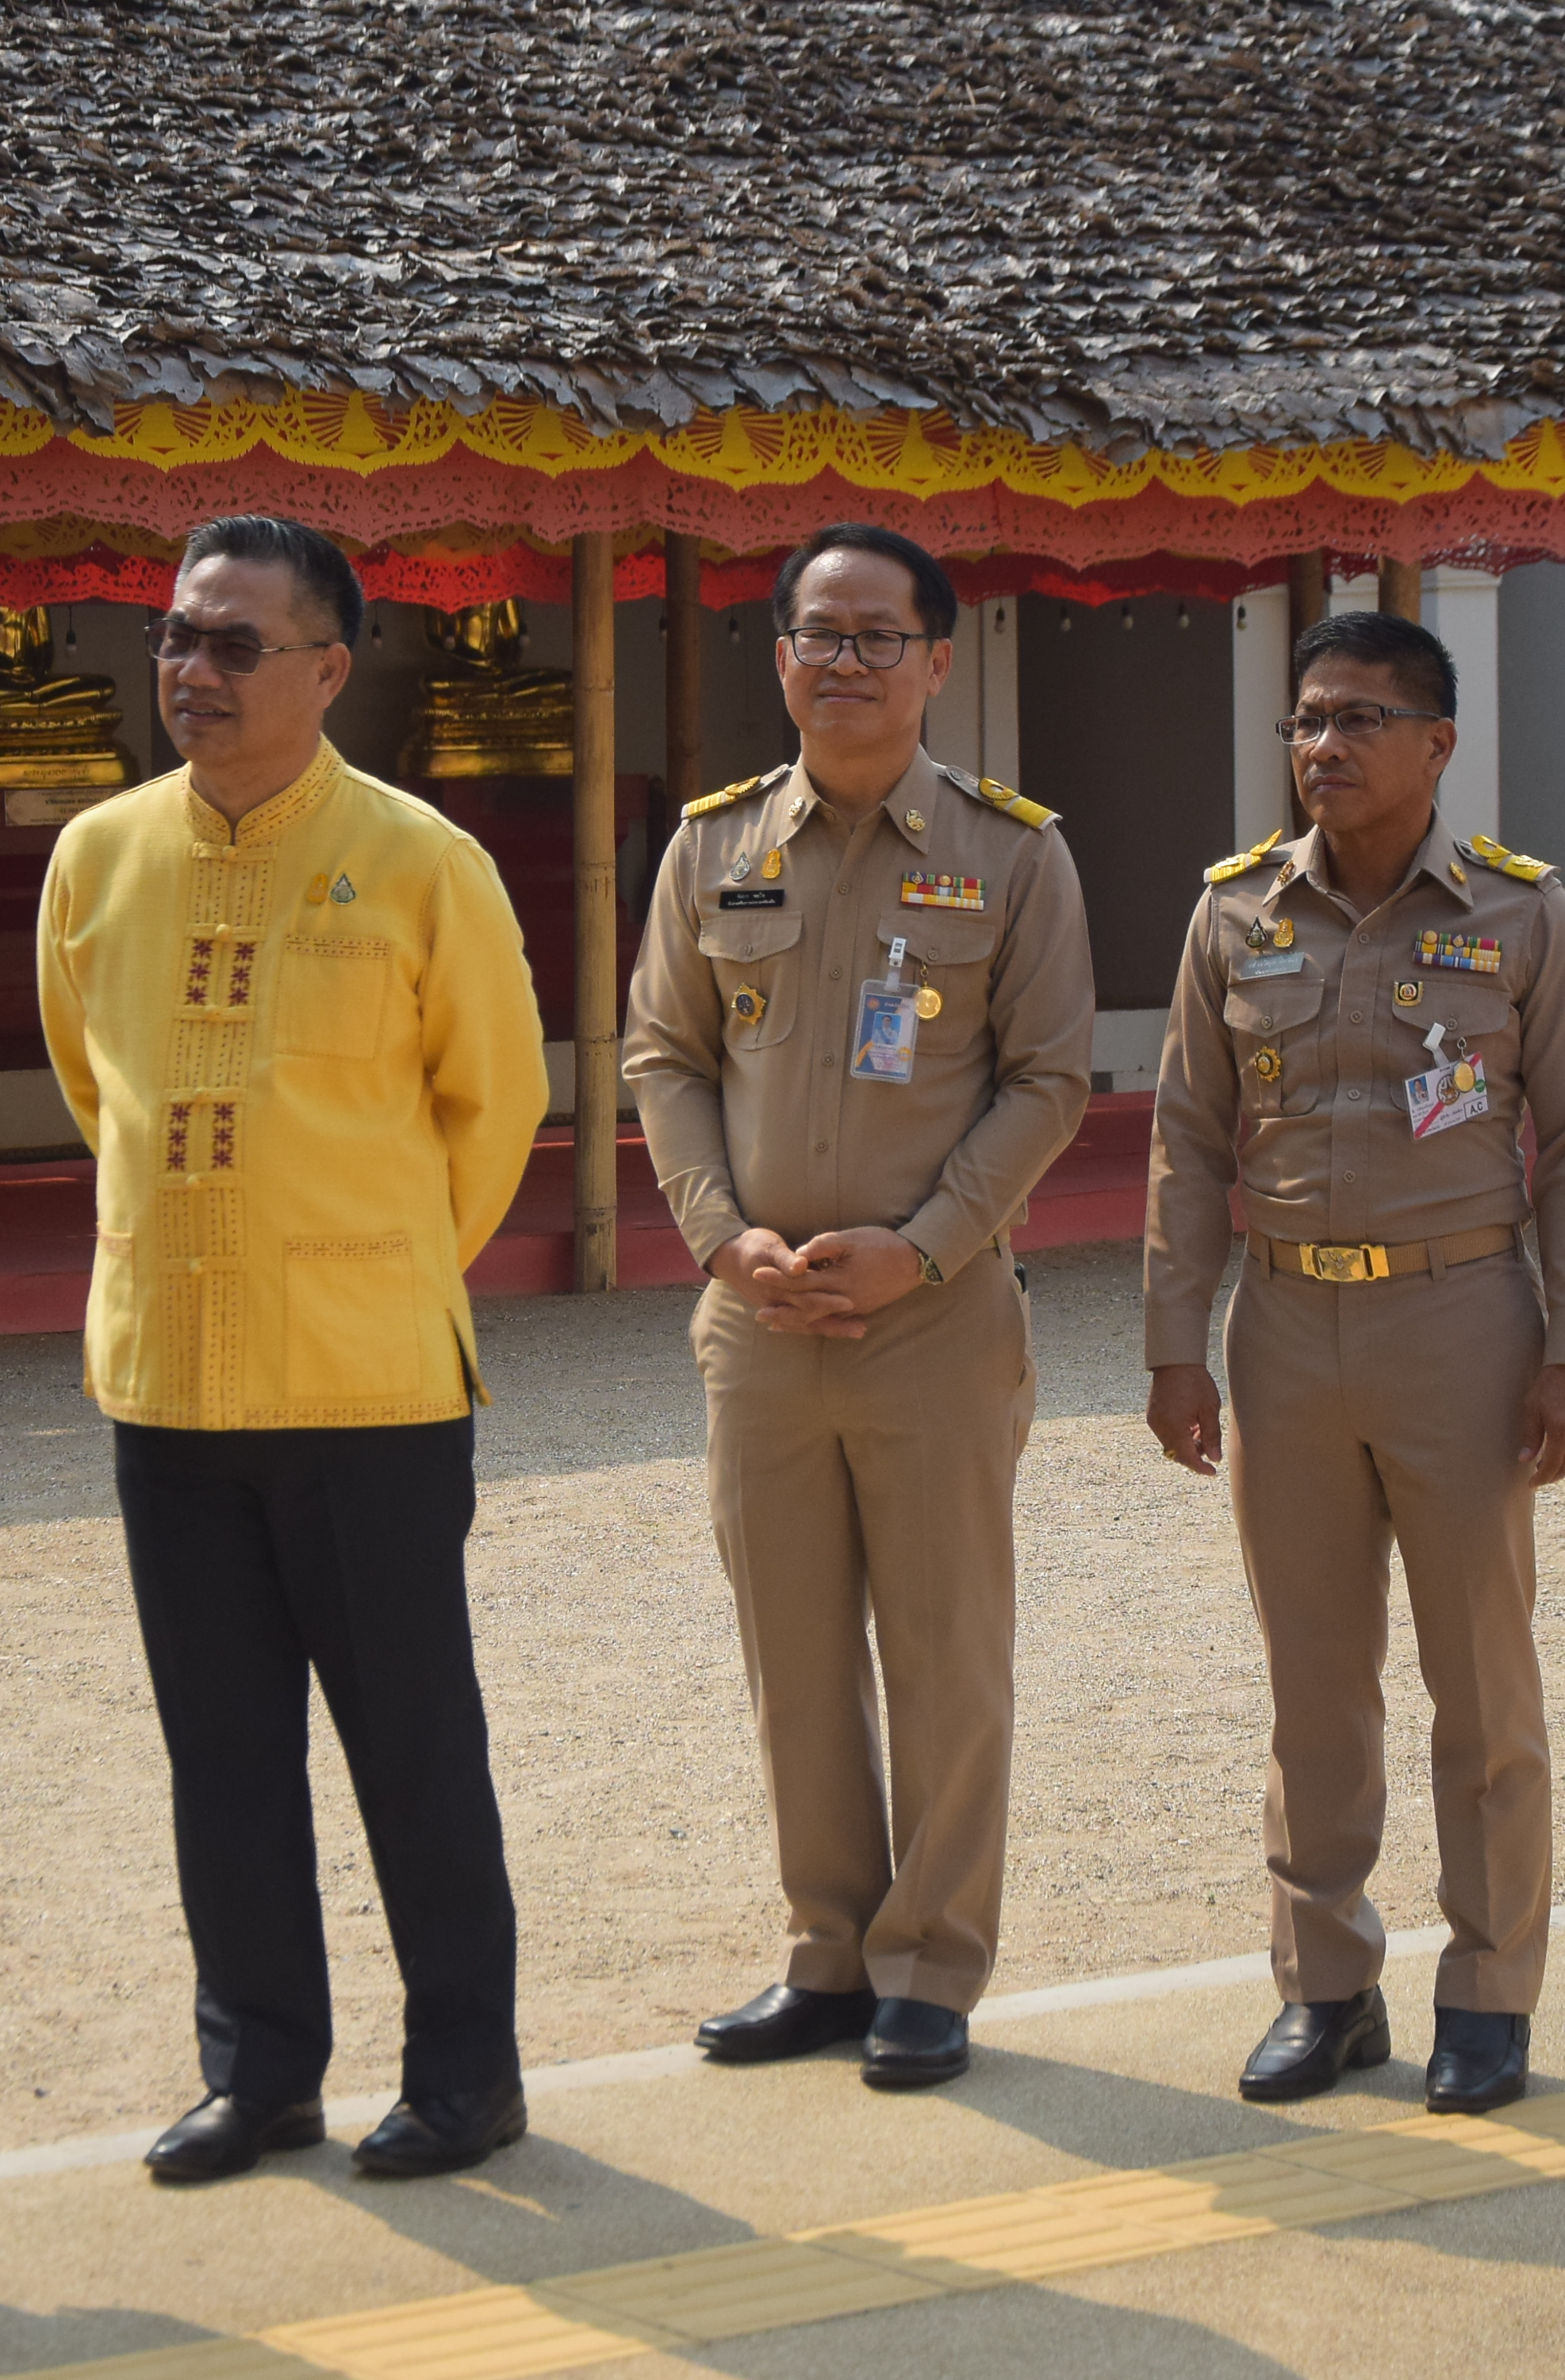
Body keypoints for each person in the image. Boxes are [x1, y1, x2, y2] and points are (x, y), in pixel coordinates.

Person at [37, 516, 549, 2182]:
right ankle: (259, 2070)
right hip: (169, 1375)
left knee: (412, 1742)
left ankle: (467, 2072)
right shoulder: (98, 856)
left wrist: (366, 1260)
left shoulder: (420, 862)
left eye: (234, 645)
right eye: (176, 638)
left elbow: (497, 1109)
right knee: (223, 1749)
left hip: (369, 1385)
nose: (192, 671)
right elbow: (91, 1086)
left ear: (328, 670)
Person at [623, 523, 1094, 2090]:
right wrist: (718, 1237)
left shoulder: (1012, 853)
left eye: (877, 636)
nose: (844, 661)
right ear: (778, 657)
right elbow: (664, 1060)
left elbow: (1046, 1081)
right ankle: (827, 1955)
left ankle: (929, 1969)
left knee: (946, 1653)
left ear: (936, 660)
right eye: (817, 634)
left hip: (933, 1319)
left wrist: (930, 1244)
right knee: (796, 1654)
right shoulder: (714, 848)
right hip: (759, 1324)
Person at [1143, 608, 1565, 2118]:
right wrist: (1177, 1346)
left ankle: (1489, 1994)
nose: (1321, 749)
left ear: (1438, 746)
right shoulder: (1234, 916)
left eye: (1355, 721)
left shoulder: (1525, 918)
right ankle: (1328, 1988)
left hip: (1461, 1323)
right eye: (1304, 722)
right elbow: (1186, 1140)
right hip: (1284, 1330)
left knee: (1480, 1682)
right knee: (1313, 1683)